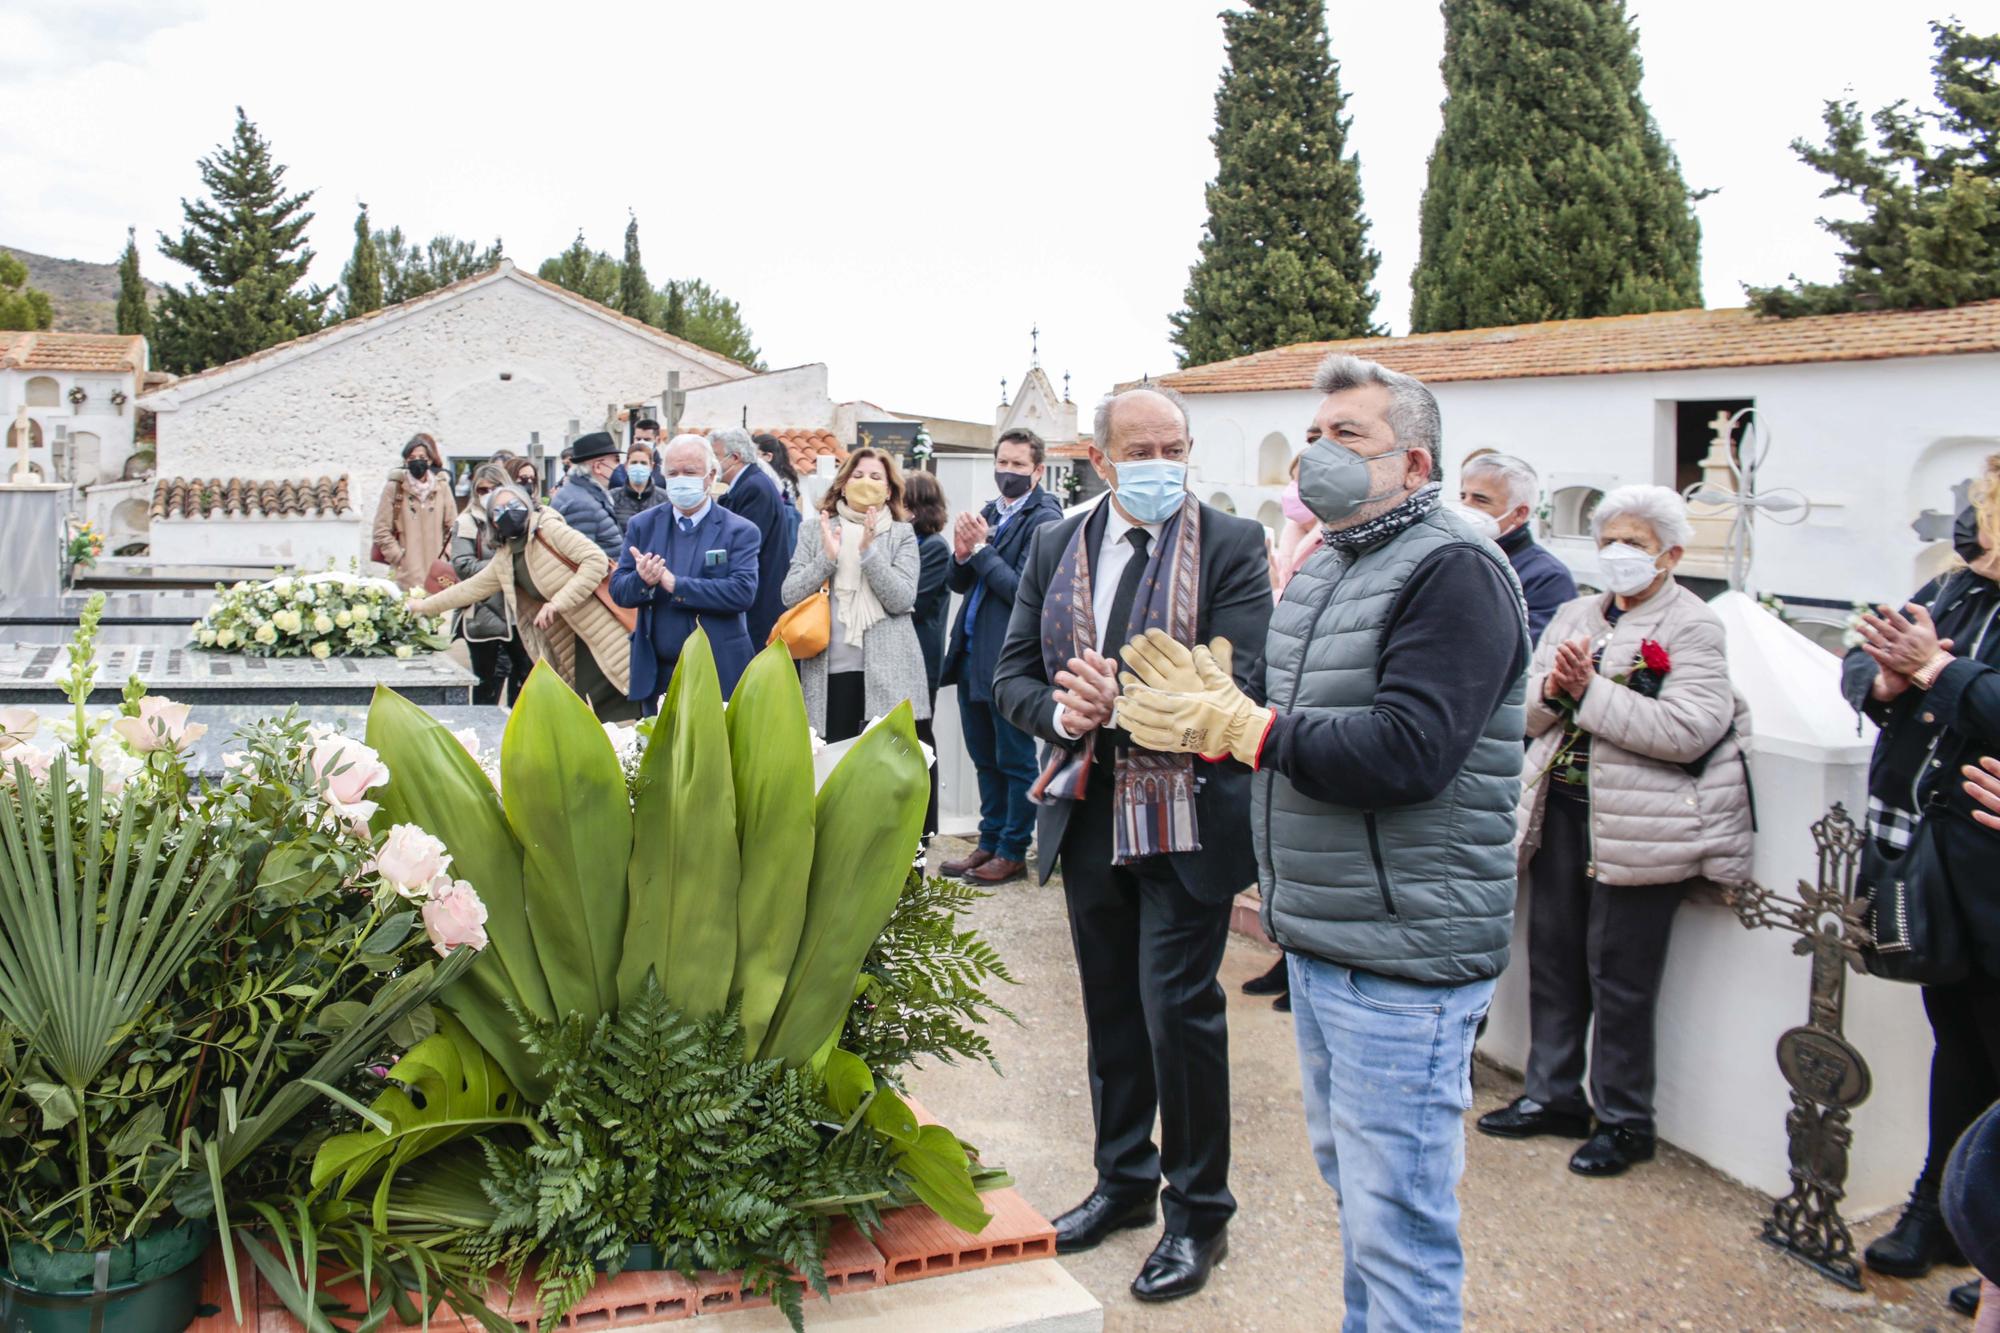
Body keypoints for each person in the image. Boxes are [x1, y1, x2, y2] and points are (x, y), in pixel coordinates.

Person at [1115, 356, 1527, 1329]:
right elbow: (1296, 722)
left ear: (1414, 463)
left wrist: (1243, 728)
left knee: (1399, 1229)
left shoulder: (1453, 568)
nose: (1317, 453)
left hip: (1405, 948)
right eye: (1312, 436)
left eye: (1348, 436)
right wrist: (1222, 706)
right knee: (1361, 1202)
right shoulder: (1328, 564)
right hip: (1331, 937)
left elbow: (1409, 750)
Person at [990, 386, 1273, 1304]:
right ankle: (1122, 1180)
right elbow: (1013, 676)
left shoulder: (1231, 546)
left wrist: (1130, 707)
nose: (1162, 461)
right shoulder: (1055, 543)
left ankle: (1199, 1213)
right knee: (1113, 1007)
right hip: (1088, 807)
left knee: (1176, 1008)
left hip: (1187, 812)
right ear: (1101, 459)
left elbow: (1246, 679)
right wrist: (1061, 709)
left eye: (1175, 445)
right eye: (1142, 447)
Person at [1476, 484, 1753, 1177]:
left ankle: (1627, 1119)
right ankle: (1552, 1094)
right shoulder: (1574, 612)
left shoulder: (1692, 625)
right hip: (1562, 811)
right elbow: (1520, 710)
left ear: (1671, 554)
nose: (1618, 554)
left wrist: (1588, 694)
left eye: (1634, 542)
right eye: (1608, 542)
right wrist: (1552, 693)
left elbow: (1690, 728)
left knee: (1622, 977)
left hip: (1642, 826)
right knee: (1553, 958)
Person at [1841, 460, 2000, 1287]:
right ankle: (1938, 1207)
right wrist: (1885, 678)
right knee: (1961, 1047)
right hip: (1935, 860)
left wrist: (1939, 673)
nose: (1976, 521)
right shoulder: (1958, 589)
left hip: (1993, 868)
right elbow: (1864, 651)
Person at [940, 428, 1066, 886]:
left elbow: (1021, 591)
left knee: (1014, 759)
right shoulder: (991, 511)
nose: (1007, 472)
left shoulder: (1045, 518)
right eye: (1003, 462)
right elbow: (959, 583)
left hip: (1011, 659)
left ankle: (1014, 848)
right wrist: (961, 554)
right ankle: (989, 841)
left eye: (1017, 465)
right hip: (975, 650)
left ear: (1037, 470)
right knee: (984, 756)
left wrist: (980, 550)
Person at [411, 483, 632, 718]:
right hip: (567, 643)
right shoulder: (506, 555)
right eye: (499, 510)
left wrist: (558, 602)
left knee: (619, 707)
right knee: (591, 714)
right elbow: (470, 589)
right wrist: (423, 607)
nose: (508, 512)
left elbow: (595, 560)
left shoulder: (548, 528)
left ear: (526, 505)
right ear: (493, 522)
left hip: (600, 633)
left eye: (513, 505)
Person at [779, 447, 929, 743]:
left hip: (888, 673)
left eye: (875, 477)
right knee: (832, 771)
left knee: (880, 776)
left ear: (888, 491)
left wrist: (868, 553)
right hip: (826, 671)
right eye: (857, 475)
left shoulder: (901, 535)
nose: (865, 482)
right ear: (843, 485)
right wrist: (827, 558)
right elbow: (789, 594)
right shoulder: (814, 530)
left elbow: (901, 599)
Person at [613, 434, 762, 708]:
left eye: (690, 472)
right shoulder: (643, 526)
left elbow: (742, 592)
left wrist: (675, 584)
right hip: (658, 673)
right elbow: (619, 589)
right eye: (673, 473)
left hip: (719, 670)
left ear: (711, 475)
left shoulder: (739, 531)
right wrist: (642, 580)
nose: (681, 479)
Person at [1458, 451, 1578, 645]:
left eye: (1480, 500)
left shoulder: (1548, 578)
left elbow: (1526, 649)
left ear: (1520, 513)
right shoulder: (1456, 557)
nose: (1465, 507)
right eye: (1463, 496)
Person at [451, 462, 532, 706]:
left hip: (517, 609)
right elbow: (463, 564)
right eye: (482, 490)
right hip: (484, 610)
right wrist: (502, 570)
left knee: (525, 675)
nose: (488, 495)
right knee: (487, 679)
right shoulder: (467, 522)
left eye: (494, 488)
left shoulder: (520, 515)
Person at [904, 469, 953, 839]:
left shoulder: (934, 547)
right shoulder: (910, 544)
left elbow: (914, 602)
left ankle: (926, 823)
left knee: (921, 737)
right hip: (905, 654)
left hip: (921, 656)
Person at [712, 427, 792, 647]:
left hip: (761, 596)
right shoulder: (745, 485)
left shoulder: (754, 488)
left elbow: (743, 545)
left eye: (716, 456)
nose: (712, 463)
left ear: (734, 457)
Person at [372, 433, 458, 592]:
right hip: (406, 575)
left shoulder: (442, 488)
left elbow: (453, 527)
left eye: (422, 457)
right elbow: (381, 529)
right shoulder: (395, 488)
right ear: (405, 461)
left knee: (438, 614)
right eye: (412, 457)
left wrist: (446, 554)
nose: (417, 460)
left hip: (437, 574)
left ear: (430, 460)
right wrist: (399, 557)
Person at [550, 432, 624, 559]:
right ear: (598, 466)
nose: (618, 466)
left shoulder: (585, 492)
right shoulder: (582, 504)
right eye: (615, 460)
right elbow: (580, 560)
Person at [611, 438, 667, 530]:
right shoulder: (612, 498)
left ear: (651, 466)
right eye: (634, 462)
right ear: (626, 465)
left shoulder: (664, 499)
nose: (638, 466)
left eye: (643, 463)